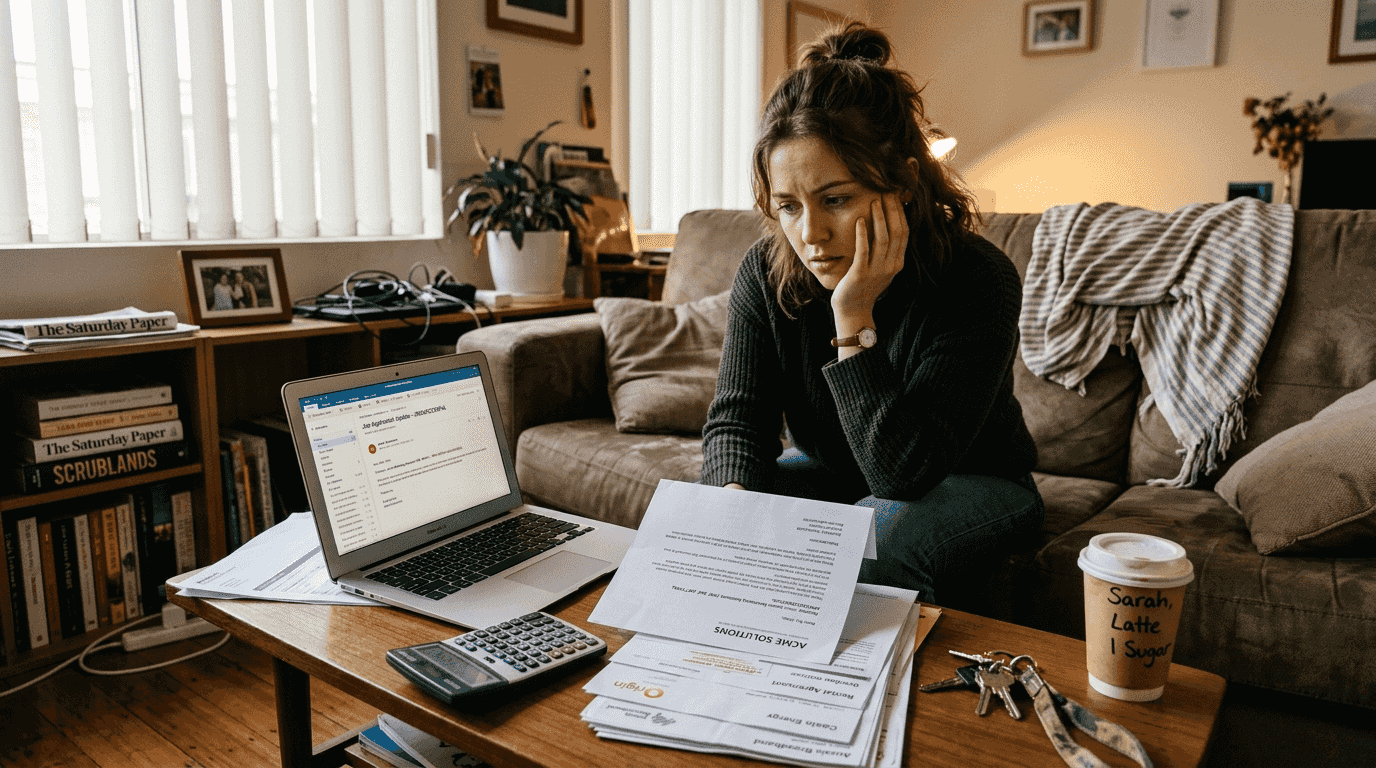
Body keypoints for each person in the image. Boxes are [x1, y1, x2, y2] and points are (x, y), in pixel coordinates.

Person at [699, 22, 1043, 607]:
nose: (810, 235)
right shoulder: (765, 271)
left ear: (904, 182)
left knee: (876, 536)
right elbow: (739, 422)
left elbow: (904, 476)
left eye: (836, 199)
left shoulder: (977, 278)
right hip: (840, 474)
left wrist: (852, 318)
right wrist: (731, 511)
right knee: (713, 512)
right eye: (788, 205)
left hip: (975, 481)